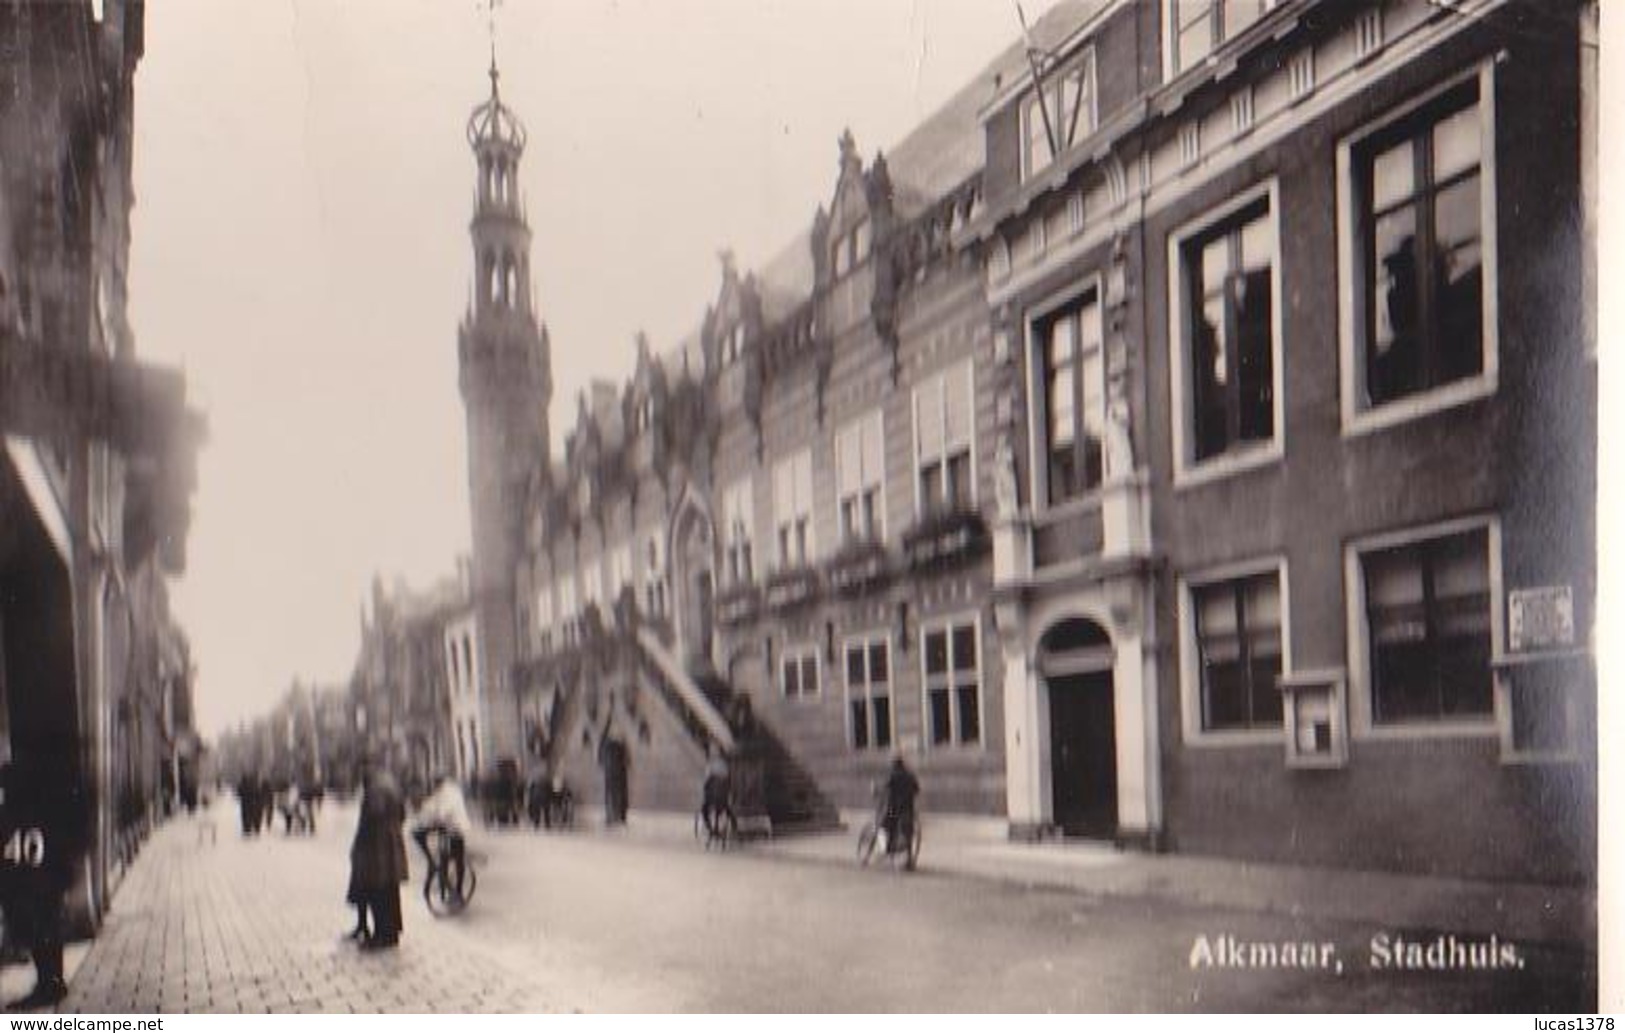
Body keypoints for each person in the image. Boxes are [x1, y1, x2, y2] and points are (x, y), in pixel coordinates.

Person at [0, 751, 86, 1011]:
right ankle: (52, 982)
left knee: (39, 928)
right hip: (40, 873)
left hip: (31, 873)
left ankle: (49, 984)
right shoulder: (42, 799)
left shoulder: (20, 806)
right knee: (45, 926)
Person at [347, 762, 408, 950]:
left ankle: (381, 934)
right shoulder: (390, 782)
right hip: (392, 842)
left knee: (377, 890)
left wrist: (359, 844)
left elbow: (373, 814)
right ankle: (393, 932)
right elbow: (402, 813)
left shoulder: (375, 789)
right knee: (391, 891)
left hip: (377, 846)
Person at [410, 774, 472, 901]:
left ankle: (458, 891)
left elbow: (444, 812)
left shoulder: (450, 793)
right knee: (444, 856)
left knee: (458, 859)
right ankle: (445, 887)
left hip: (456, 828)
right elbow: (431, 805)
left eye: (436, 782)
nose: (434, 785)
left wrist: (431, 821)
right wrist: (423, 816)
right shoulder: (440, 792)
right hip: (446, 829)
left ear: (441, 781)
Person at [879, 754, 920, 857]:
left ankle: (888, 848)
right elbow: (917, 789)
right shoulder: (910, 775)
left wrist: (877, 792)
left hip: (894, 808)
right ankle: (909, 857)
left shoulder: (893, 775)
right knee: (908, 832)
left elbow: (885, 787)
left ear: (894, 765)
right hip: (908, 808)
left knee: (885, 826)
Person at [699, 747, 730, 838]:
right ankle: (721, 825)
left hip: (712, 797)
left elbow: (706, 780)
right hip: (723, 797)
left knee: (704, 809)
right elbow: (728, 779)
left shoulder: (711, 765)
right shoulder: (725, 765)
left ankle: (709, 828)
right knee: (723, 808)